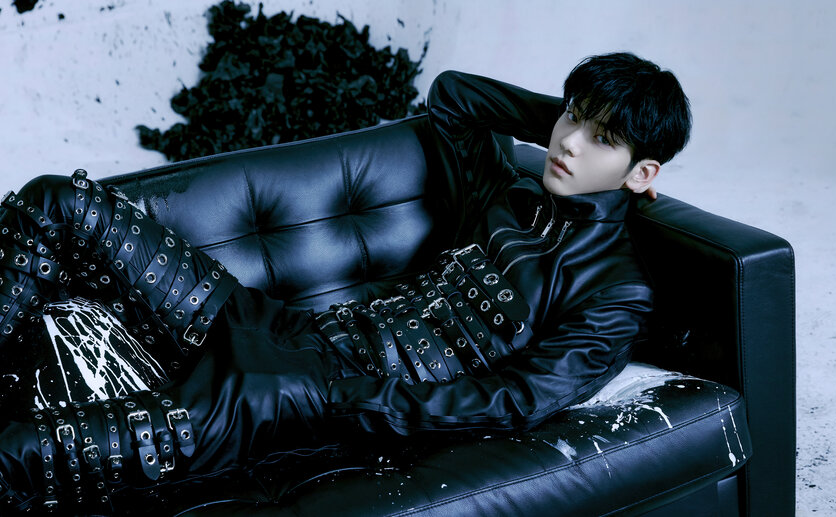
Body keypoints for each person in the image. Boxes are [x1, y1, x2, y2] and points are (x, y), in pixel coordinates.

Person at [0, 52, 691, 514]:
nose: (569, 143)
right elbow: (453, 96)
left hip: (303, 399)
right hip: (275, 324)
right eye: (572, 117)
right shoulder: (505, 191)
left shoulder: (616, 293)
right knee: (57, 201)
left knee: (15, 455)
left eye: (602, 139)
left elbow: (513, 400)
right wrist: (579, 114)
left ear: (643, 174)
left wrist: (342, 398)